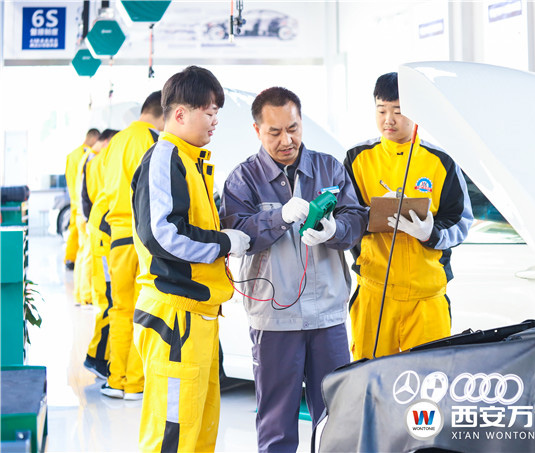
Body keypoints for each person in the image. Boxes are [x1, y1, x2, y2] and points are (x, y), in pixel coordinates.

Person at [220, 86, 367, 452]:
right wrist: (277, 218)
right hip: (274, 318)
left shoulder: (329, 167)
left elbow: (355, 219)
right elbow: (238, 233)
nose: (286, 140)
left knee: (336, 416)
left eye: (293, 128)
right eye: (275, 132)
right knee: (277, 419)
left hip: (328, 314)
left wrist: (335, 230)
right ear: (257, 130)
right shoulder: (243, 179)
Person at [131, 65, 250, 452]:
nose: (215, 121)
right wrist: (224, 242)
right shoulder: (165, 159)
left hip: (198, 315)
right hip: (175, 317)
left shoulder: (191, 160)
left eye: (217, 113)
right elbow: (163, 235)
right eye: (209, 112)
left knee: (198, 429)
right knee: (172, 434)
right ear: (180, 114)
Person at [344, 72, 473, 360]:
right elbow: (345, 217)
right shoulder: (358, 158)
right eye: (381, 110)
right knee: (371, 378)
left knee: (431, 378)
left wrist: (431, 234)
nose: (388, 120)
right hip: (375, 294)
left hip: (427, 298)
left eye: (398, 111)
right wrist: (372, 215)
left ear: (418, 112)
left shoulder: (441, 161)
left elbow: (461, 221)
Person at [99, 91, 164, 401]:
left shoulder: (115, 142)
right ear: (164, 113)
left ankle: (116, 380)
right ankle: (136, 383)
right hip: (141, 239)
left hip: (117, 238)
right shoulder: (152, 140)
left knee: (120, 309)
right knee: (144, 310)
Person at [79, 129, 118, 379]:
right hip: (105, 236)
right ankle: (97, 358)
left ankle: (100, 356)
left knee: (110, 301)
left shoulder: (97, 161)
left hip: (102, 232)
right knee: (110, 302)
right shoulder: (99, 161)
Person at [64, 128, 100, 270]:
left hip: (75, 199)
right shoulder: (88, 155)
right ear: (93, 138)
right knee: (83, 240)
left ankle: (69, 258)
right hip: (82, 201)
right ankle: (72, 260)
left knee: (74, 230)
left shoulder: (72, 155)